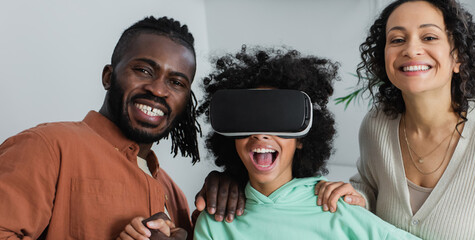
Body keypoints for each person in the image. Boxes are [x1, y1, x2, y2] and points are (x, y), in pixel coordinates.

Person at [314, 0, 475, 239]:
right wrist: (357, 198)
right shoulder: (377, 126)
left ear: (458, 57)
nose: (411, 49)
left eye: (429, 37)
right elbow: (371, 190)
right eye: (397, 39)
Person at [182, 46, 418, 239]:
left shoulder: (337, 209)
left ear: (301, 139)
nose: (261, 134)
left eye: (277, 119)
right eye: (249, 120)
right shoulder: (214, 224)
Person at [0, 16, 199, 239]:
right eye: (144, 70)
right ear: (108, 77)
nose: (158, 90)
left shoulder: (175, 196)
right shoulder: (47, 147)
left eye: (177, 83)